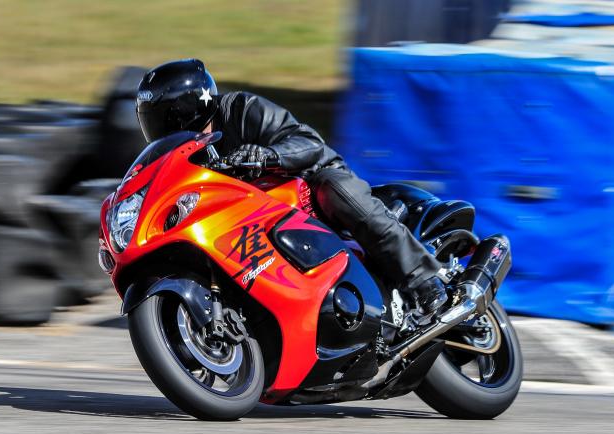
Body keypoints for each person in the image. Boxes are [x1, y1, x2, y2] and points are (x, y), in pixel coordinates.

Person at [135, 58, 447, 316]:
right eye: (149, 119)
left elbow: (308, 142)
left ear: (188, 108)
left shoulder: (242, 110)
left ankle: (422, 278)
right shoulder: (183, 158)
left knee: (335, 190)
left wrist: (266, 156)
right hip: (252, 222)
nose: (156, 127)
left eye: (163, 116)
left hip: (306, 186)